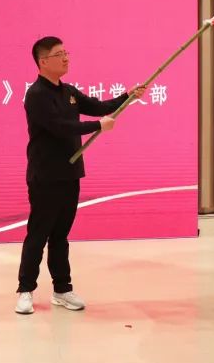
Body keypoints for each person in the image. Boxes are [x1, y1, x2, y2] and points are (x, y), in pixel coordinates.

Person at [15, 36, 146, 315]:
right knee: (38, 234)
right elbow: (60, 126)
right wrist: (97, 127)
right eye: (58, 54)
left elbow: (99, 107)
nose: (66, 58)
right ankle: (25, 290)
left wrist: (128, 96)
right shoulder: (36, 95)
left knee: (60, 236)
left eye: (66, 52)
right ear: (43, 62)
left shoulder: (69, 92)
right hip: (45, 176)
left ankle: (62, 289)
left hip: (70, 173)